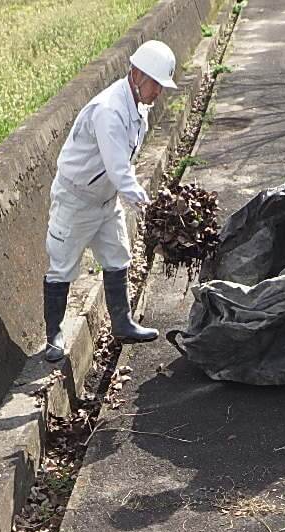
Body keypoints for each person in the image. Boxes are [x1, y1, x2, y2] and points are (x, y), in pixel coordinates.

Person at [42, 41, 177, 362]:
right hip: (76, 200)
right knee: (62, 266)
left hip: (105, 199)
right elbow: (119, 170)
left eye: (161, 85)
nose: (158, 92)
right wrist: (151, 208)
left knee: (118, 255)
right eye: (156, 83)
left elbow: (121, 169)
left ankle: (122, 323)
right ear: (138, 74)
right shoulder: (110, 111)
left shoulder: (137, 106)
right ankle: (53, 337)